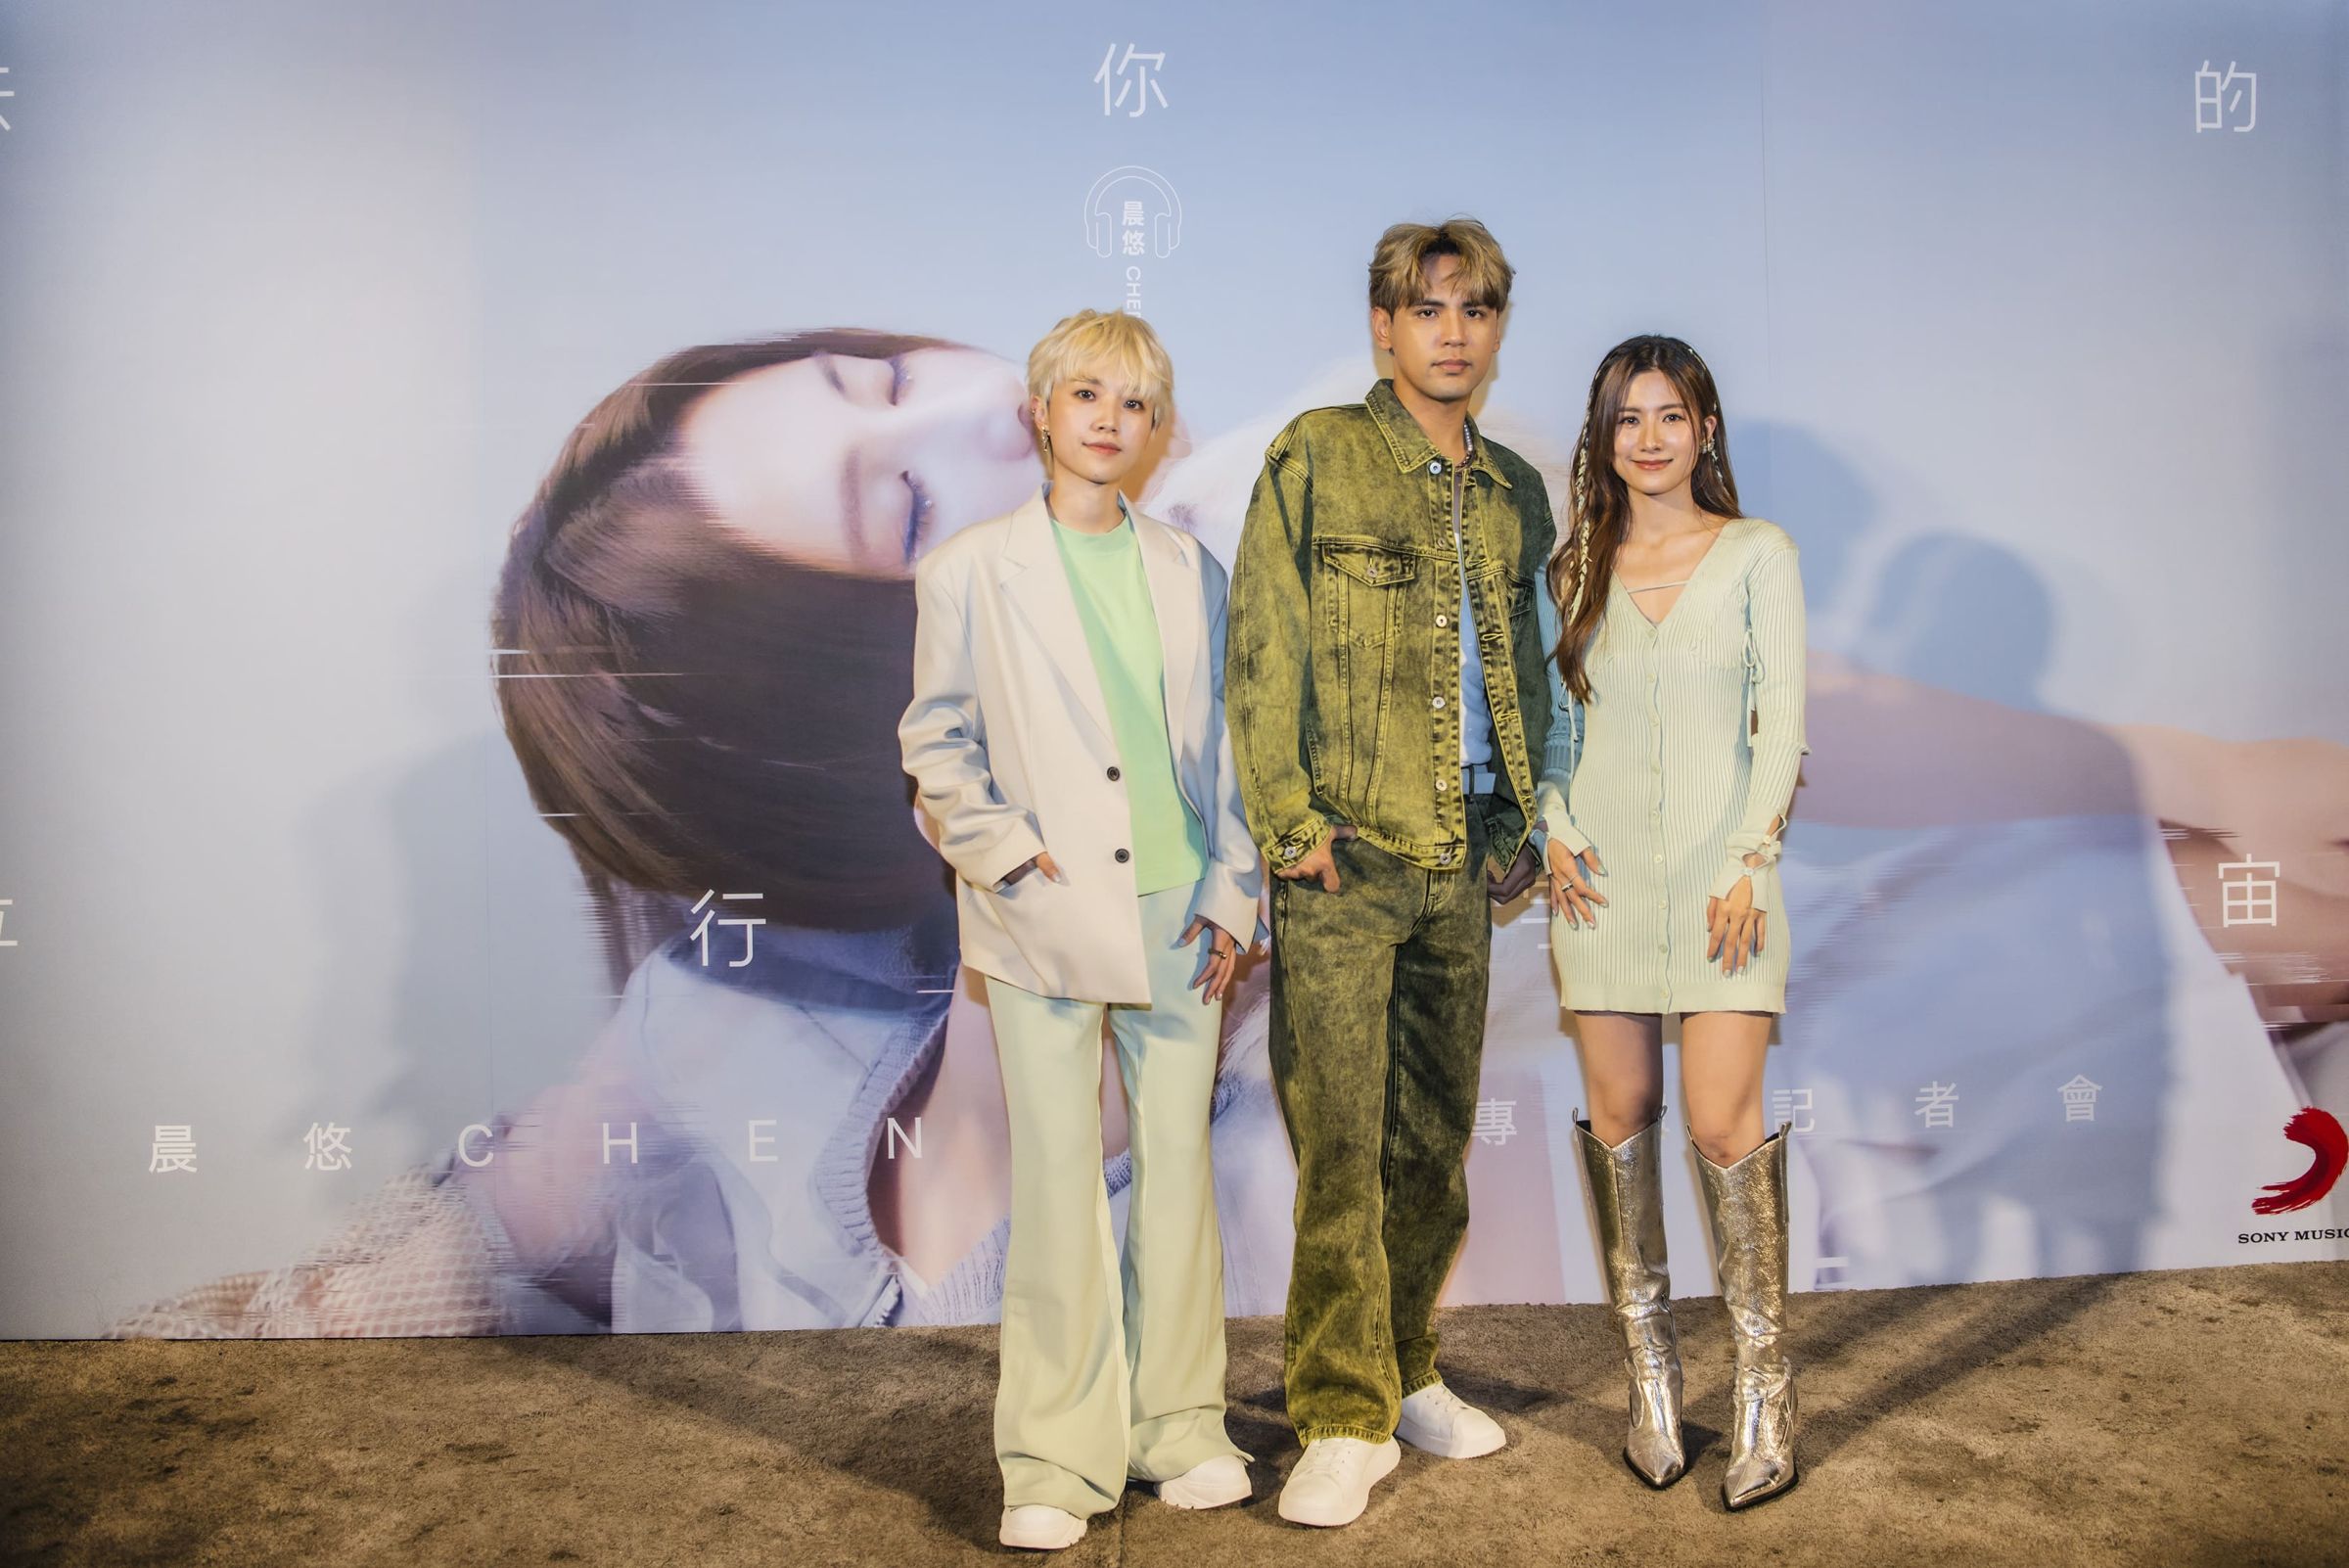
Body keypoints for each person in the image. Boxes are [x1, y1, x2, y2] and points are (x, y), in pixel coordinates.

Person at [898, 310, 1261, 1551]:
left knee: (1179, 1179)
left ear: (1158, 430)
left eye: (1135, 402)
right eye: (1087, 394)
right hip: (1041, 914)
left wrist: (1234, 891)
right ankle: (1054, 1456)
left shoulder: (1190, 569)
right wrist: (1008, 856)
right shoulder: (968, 571)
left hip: (1183, 912)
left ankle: (1182, 1428)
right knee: (1057, 1184)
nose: (1110, 420)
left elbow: (1232, 754)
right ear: (1041, 413)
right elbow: (935, 741)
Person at [1225, 218, 1552, 1529]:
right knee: (1342, 1149)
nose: (1452, 332)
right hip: (1345, 862)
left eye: (1474, 309)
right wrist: (1289, 824)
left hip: (1464, 856)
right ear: (1383, 326)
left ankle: (1408, 1369)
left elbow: (1530, 665)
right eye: (1427, 309)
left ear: (1495, 327)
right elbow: (1263, 646)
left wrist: (1517, 823)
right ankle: (1340, 1414)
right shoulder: (1317, 453)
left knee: (1431, 1146)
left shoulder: (1514, 489)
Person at [1540, 334, 1807, 1508]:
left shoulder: (1757, 554)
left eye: (1670, 416)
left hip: (1720, 884)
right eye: (1627, 419)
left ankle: (1764, 1392)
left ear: (1705, 429)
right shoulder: (1573, 570)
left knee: (1720, 1119)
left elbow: (1779, 722)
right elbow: (1553, 731)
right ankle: (1651, 1381)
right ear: (1603, 439)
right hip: (1600, 884)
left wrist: (1749, 859)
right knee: (1619, 1115)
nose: (1649, 439)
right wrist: (1553, 824)